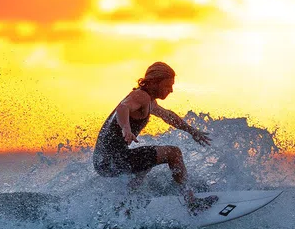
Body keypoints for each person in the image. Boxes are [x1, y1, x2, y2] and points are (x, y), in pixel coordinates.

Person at [92, 61, 218, 214]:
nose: (171, 90)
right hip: (112, 160)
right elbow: (122, 107)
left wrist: (192, 131)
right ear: (153, 82)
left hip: (104, 162)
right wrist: (126, 128)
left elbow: (169, 116)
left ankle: (124, 208)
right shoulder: (140, 96)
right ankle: (191, 202)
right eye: (167, 86)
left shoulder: (149, 101)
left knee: (148, 161)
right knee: (173, 153)